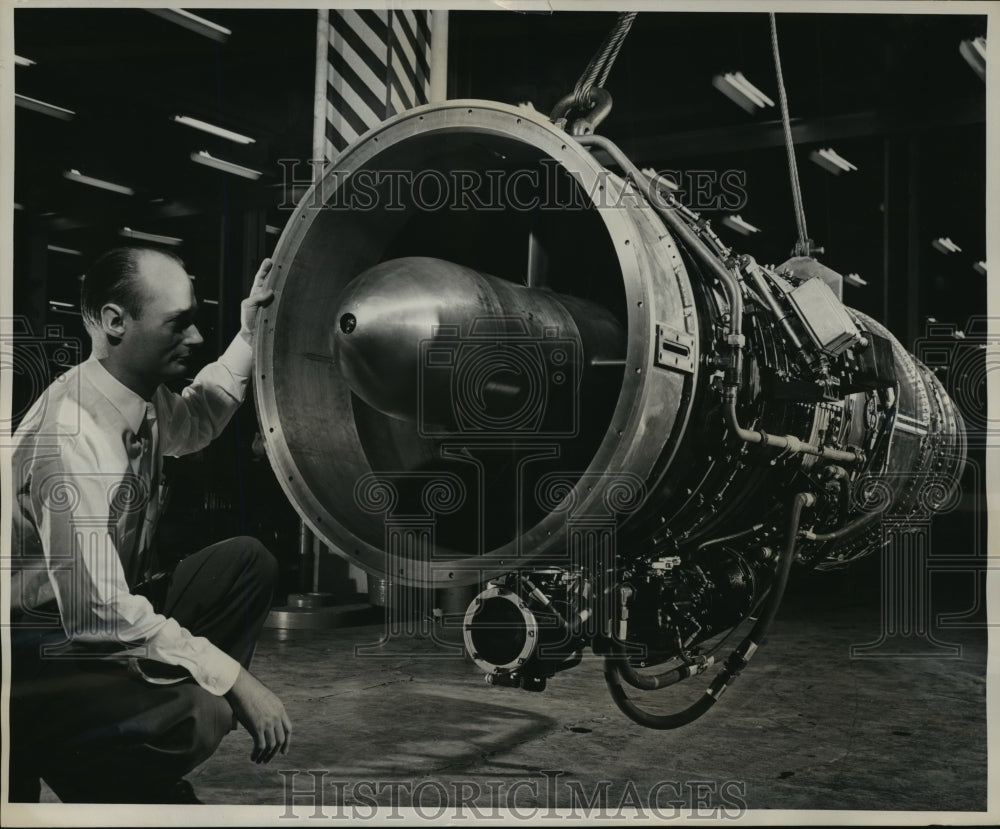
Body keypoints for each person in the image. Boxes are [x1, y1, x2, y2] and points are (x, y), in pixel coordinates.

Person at [8, 246, 292, 803]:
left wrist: (250, 334)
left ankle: (128, 727)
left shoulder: (139, 399)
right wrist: (233, 678)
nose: (196, 339)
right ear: (115, 322)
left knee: (244, 565)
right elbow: (94, 612)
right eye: (178, 324)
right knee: (202, 710)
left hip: (88, 624)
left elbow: (198, 418)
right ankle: (81, 756)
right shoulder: (72, 436)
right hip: (31, 650)